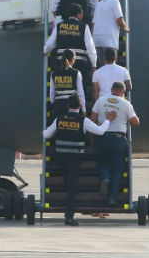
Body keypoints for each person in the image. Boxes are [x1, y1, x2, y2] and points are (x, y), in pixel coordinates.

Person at [43, 94, 115, 226]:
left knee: (66, 183)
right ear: (80, 106)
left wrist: (43, 131)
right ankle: (69, 217)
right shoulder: (83, 120)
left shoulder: (59, 119)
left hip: (61, 159)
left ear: (67, 106)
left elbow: (47, 135)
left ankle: (63, 207)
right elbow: (100, 131)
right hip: (75, 160)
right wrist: (108, 120)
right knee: (72, 188)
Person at [91, 82, 140, 205]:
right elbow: (135, 122)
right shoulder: (126, 104)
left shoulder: (101, 101)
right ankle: (112, 198)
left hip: (102, 137)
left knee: (102, 162)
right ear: (123, 92)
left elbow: (92, 120)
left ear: (111, 89)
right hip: (118, 139)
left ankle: (105, 178)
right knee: (117, 168)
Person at [43, 3, 97, 85]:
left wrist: (45, 51)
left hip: (62, 63)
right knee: (79, 89)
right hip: (79, 64)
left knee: (63, 87)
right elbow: (90, 47)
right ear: (79, 14)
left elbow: (50, 43)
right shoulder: (84, 26)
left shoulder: (59, 26)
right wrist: (94, 65)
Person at [91, 0, 130, 67]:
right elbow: (119, 19)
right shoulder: (115, 2)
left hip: (97, 41)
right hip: (109, 41)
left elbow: (93, 23)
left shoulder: (99, 4)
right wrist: (125, 27)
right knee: (110, 67)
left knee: (101, 67)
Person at [50, 49, 86, 117]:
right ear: (73, 59)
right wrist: (84, 109)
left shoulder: (54, 73)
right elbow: (80, 93)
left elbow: (52, 92)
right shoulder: (76, 73)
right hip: (72, 105)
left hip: (58, 105)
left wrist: (52, 104)